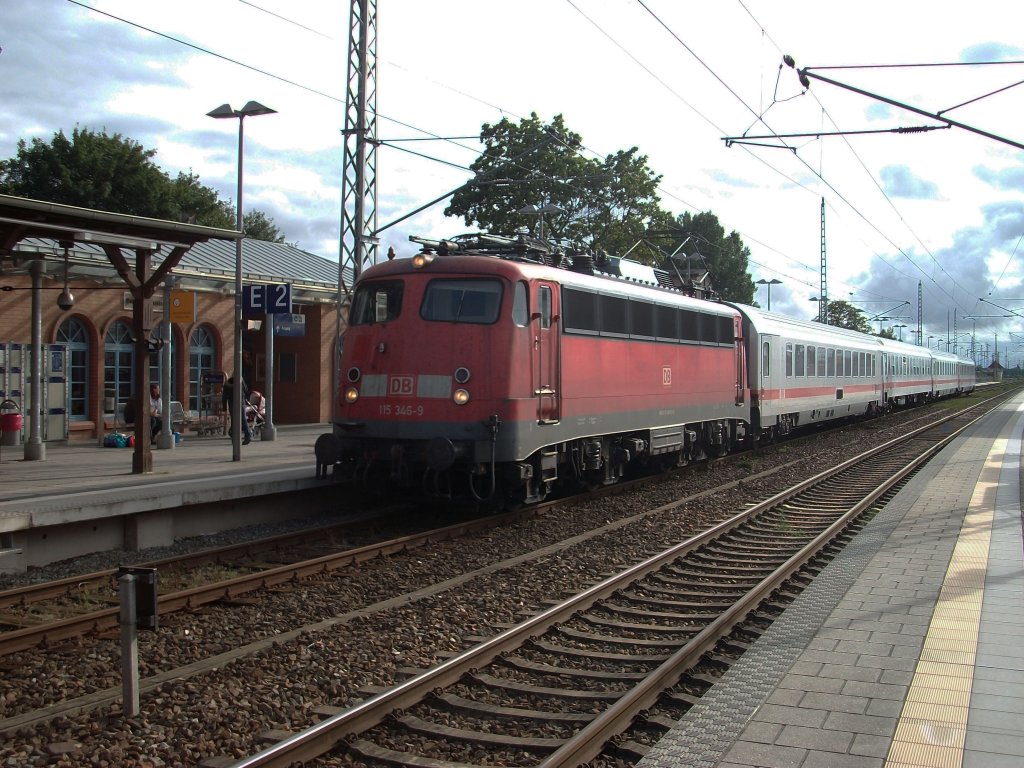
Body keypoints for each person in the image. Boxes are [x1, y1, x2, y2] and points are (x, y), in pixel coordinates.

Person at [223, 375, 253, 445]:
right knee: (243, 419)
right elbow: (246, 390)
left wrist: (224, 407)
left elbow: (224, 396)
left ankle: (234, 438)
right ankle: (248, 435)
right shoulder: (240, 381)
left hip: (232, 403)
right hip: (240, 402)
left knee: (234, 420)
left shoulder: (227, 384)